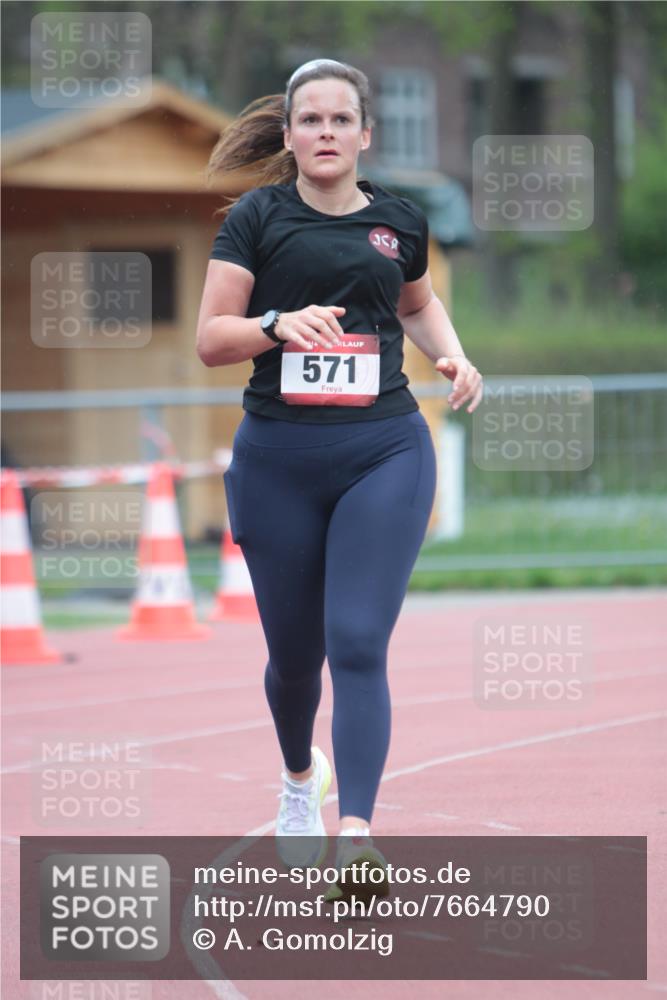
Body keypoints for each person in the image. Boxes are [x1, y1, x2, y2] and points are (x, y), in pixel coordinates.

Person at [197, 58, 482, 899]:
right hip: (279, 458)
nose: (325, 134)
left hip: (383, 448)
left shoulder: (398, 220)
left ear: (365, 134)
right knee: (294, 659)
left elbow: (416, 304)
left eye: (339, 120)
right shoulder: (256, 217)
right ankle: (297, 778)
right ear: (288, 136)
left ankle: (356, 836)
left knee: (357, 640)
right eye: (309, 121)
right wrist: (278, 325)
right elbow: (213, 339)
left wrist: (452, 355)